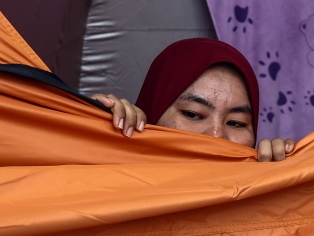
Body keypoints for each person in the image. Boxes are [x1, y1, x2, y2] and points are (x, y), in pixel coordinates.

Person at [92, 38, 295, 162]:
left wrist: (283, 193)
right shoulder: (103, 179)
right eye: (192, 114)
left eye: (236, 123)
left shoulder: (263, 203)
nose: (216, 136)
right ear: (151, 114)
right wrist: (90, 132)